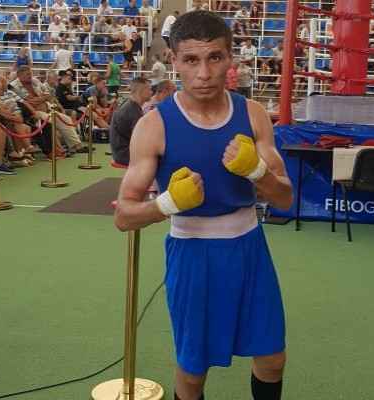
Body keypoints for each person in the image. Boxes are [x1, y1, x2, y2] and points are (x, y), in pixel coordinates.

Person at [113, 11, 292, 400]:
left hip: (249, 248)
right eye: (191, 60)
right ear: (174, 61)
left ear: (230, 59)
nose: (204, 73)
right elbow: (124, 217)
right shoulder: (154, 125)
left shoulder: (252, 113)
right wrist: (167, 203)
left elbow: (285, 197)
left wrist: (258, 171)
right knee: (193, 374)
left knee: (272, 357)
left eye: (214, 57)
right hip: (192, 255)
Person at [108, 77, 150, 165]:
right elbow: (141, 140)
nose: (151, 92)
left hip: (121, 152)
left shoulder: (130, 105)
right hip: (124, 155)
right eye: (149, 89)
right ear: (141, 91)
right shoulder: (133, 111)